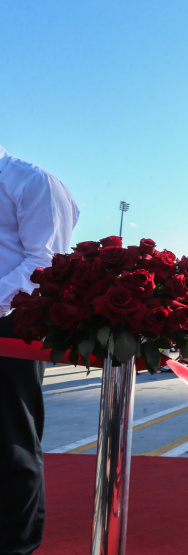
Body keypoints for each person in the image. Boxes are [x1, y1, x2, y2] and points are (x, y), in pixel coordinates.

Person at [0, 144, 79, 554]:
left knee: (10, 443)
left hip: (11, 322)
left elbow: (43, 263)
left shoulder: (31, 181)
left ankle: (15, 546)